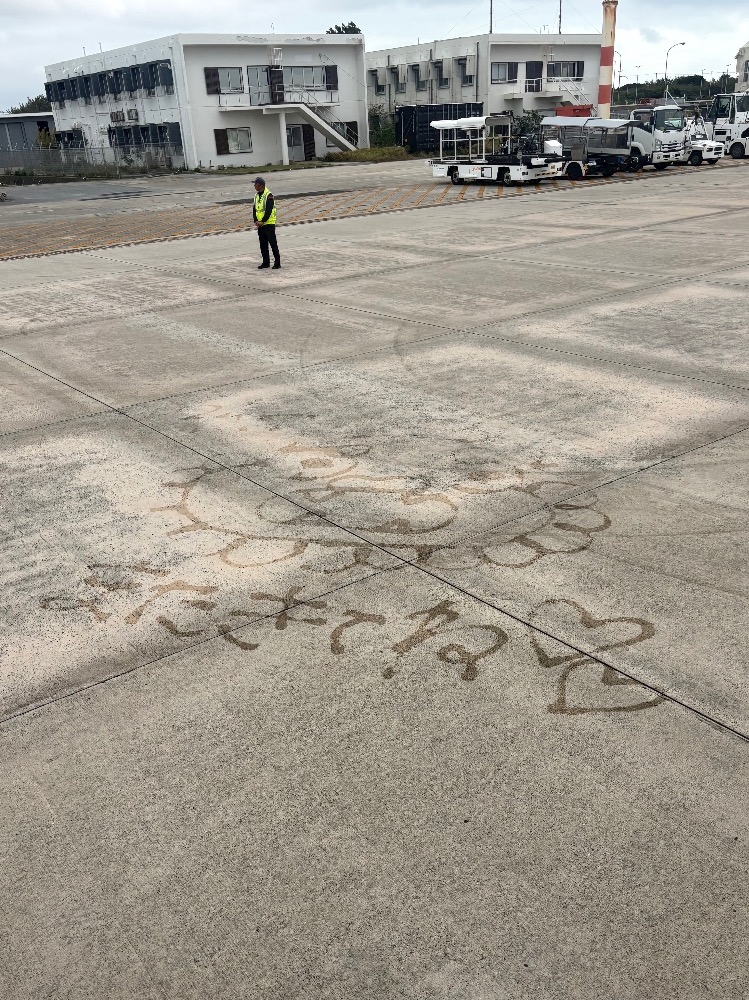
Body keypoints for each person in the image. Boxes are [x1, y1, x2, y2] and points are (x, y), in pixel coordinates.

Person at [253, 176, 280, 270]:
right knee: (263, 244)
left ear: (260, 185)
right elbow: (255, 209)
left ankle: (277, 263)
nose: (254, 186)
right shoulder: (256, 195)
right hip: (260, 224)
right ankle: (266, 262)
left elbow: (268, 210)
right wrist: (255, 220)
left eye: (255, 184)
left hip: (269, 223)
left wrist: (262, 221)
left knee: (273, 243)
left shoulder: (269, 195)